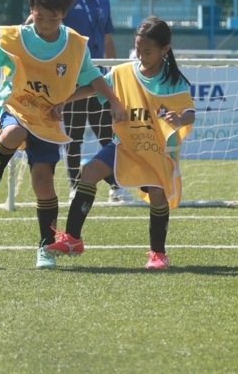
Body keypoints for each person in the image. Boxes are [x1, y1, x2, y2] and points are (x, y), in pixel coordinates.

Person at [0, 0, 126, 270]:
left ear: (63, 14)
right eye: (40, 16)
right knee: (14, 134)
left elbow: (94, 80)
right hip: (14, 107)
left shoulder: (74, 45)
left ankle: (46, 246)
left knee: (43, 183)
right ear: (32, 11)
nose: (45, 23)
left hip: (46, 120)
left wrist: (114, 102)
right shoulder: (15, 38)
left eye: (53, 18)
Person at [46, 17, 196, 271]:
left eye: (148, 51)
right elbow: (95, 87)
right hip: (124, 145)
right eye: (138, 50)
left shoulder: (174, 81)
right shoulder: (123, 72)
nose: (141, 55)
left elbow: (190, 112)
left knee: (157, 195)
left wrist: (180, 118)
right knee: (90, 172)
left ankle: (158, 254)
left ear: (165, 50)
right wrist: (65, 100)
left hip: (154, 150)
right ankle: (73, 239)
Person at [61, 0, 131, 203]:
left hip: (99, 79)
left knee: (106, 134)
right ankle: (75, 185)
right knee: (73, 135)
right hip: (73, 79)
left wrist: (112, 71)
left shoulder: (104, 1)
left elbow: (108, 38)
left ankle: (115, 186)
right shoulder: (67, 0)